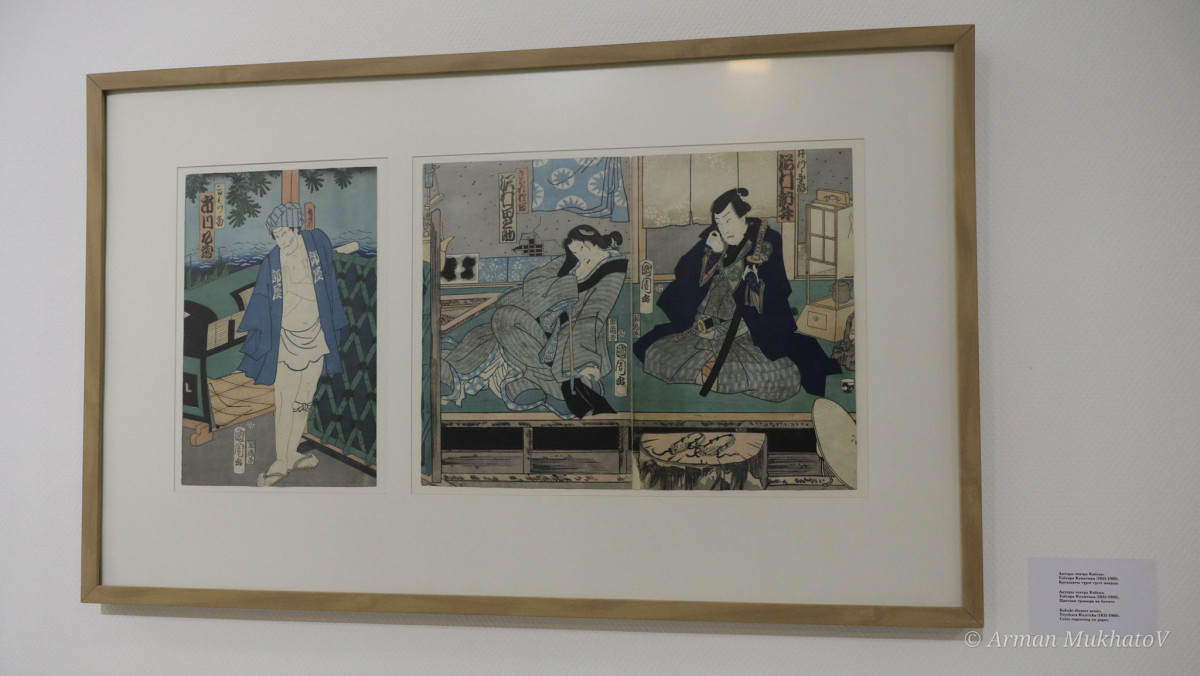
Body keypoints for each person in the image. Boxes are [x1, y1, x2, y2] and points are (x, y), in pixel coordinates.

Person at [634, 188, 840, 401]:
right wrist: (713, 255)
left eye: (728, 220)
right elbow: (685, 272)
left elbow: (774, 293)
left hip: (747, 328)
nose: (724, 228)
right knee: (656, 354)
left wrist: (753, 282)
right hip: (705, 323)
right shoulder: (716, 238)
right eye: (719, 222)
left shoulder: (766, 241)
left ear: (743, 216)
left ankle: (710, 365)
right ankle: (708, 361)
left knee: (778, 376)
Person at [442, 224, 627, 418]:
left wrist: (584, 367)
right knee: (486, 331)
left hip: (566, 343)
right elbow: (534, 280)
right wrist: (565, 286)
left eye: (580, 249)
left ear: (590, 243)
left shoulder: (611, 272)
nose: (577, 255)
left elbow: (591, 321)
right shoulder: (573, 261)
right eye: (574, 252)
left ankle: (547, 386)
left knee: (504, 319)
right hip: (539, 328)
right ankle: (548, 388)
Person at [237, 202, 349, 486]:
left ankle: (291, 453)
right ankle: (280, 459)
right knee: (285, 400)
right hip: (287, 340)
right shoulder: (272, 262)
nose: (281, 241)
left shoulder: (316, 244)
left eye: (285, 233)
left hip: (316, 335)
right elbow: (262, 300)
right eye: (276, 236)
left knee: (303, 400)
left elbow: (329, 277)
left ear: (297, 228)